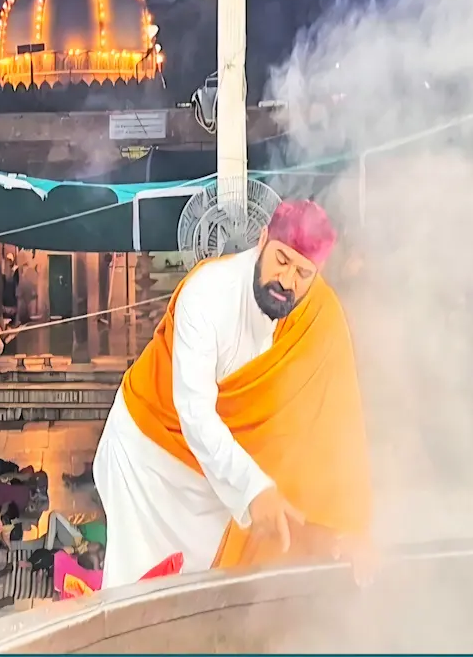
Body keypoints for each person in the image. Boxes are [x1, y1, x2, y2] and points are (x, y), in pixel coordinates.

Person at [92, 199, 375, 589]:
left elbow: (336, 416)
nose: (287, 281)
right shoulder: (207, 295)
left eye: (302, 272)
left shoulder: (317, 314)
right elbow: (194, 413)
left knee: (201, 590)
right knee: (137, 587)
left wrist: (349, 522)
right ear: (262, 241)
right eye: (281, 260)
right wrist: (253, 488)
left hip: (216, 478)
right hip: (148, 458)